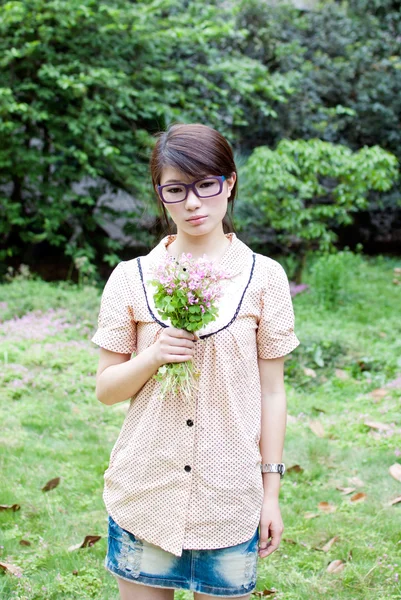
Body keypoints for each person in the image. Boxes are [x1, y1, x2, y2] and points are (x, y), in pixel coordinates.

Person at [91, 123, 300, 600]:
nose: (193, 203)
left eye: (206, 185)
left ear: (229, 183)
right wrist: (153, 355)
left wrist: (271, 494)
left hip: (228, 500)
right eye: (175, 189)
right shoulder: (130, 279)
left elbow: (272, 392)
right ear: (160, 195)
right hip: (144, 495)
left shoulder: (265, 278)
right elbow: (106, 389)